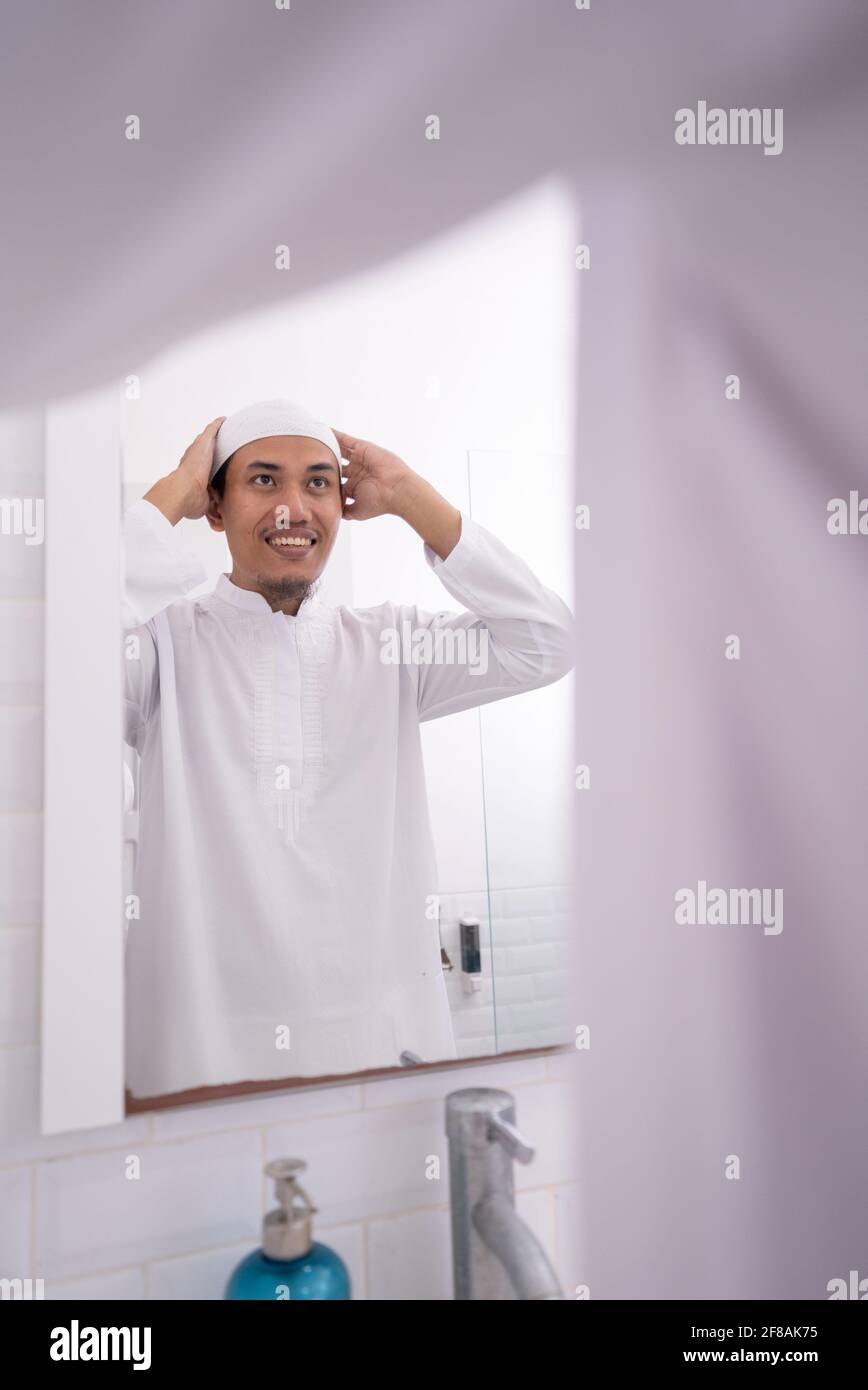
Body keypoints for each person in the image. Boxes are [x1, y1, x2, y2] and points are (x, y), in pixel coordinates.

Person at [122, 398, 576, 1099]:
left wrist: (410, 497)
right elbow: (54, 653)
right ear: (215, 507)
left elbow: (545, 641)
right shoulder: (162, 645)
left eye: (317, 483)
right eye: (264, 480)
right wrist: (172, 492)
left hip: (379, 1053)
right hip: (198, 1059)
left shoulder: (391, 646)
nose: (293, 508)